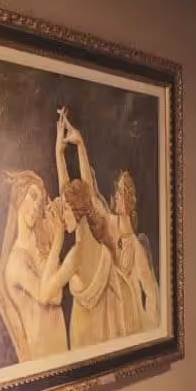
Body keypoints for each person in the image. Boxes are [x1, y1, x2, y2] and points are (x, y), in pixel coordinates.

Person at [44, 113, 128, 349]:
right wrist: (69, 148)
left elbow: (45, 293)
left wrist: (58, 239)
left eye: (65, 210)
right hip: (104, 339)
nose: (61, 212)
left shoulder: (76, 256)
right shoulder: (98, 239)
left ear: (76, 211)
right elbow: (81, 192)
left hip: (83, 341)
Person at [0, 170, 69, 363]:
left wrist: (60, 154)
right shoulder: (16, 262)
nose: (37, 206)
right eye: (32, 197)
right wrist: (58, 241)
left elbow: (64, 202)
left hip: (61, 347)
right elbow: (51, 295)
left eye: (40, 201)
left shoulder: (41, 239)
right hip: (41, 355)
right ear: (19, 198)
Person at [111, 170, 160, 330]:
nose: (116, 196)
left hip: (132, 323)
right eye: (117, 192)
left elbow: (151, 292)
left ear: (128, 200)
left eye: (120, 192)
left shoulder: (136, 248)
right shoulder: (112, 232)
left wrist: (151, 327)